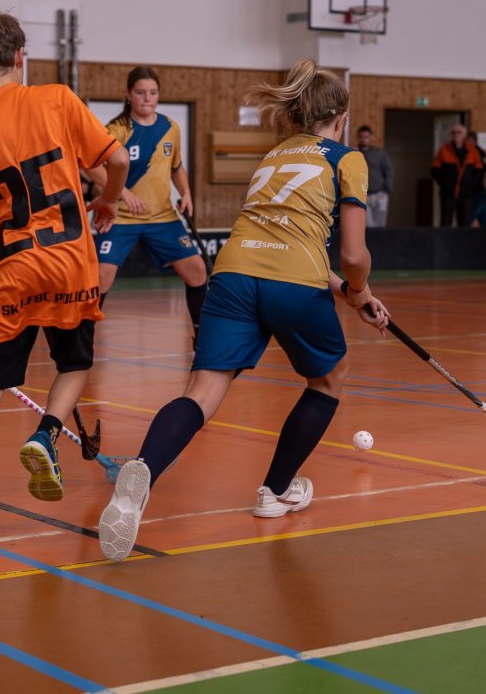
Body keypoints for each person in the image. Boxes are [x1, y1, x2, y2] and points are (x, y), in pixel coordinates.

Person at [97, 60, 391, 562]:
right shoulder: (348, 159)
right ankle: (275, 490)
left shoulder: (274, 155)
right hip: (292, 282)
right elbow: (353, 253)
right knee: (329, 377)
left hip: (232, 274)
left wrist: (345, 290)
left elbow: (283, 239)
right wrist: (359, 290)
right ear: (341, 116)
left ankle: (142, 470)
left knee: (202, 392)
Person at [0, 7, 129, 539]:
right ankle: (46, 433)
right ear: (21, 55)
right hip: (69, 266)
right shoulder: (58, 99)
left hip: (8, 274)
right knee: (75, 364)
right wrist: (109, 201)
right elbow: (116, 163)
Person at [84, 66, 209, 343]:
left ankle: (203, 341)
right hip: (119, 217)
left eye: (153, 93)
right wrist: (123, 192)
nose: (147, 98)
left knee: (197, 271)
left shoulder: (170, 127)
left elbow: (176, 167)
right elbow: (90, 166)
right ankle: (81, 344)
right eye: (141, 93)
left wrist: (186, 192)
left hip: (162, 217)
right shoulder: (115, 130)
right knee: (101, 277)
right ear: (129, 94)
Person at [430, 123, 484, 227]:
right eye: (453, 132)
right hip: (448, 194)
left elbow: (479, 170)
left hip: (465, 194)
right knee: (445, 223)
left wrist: (471, 184)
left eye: (459, 132)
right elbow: (434, 170)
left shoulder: (473, 150)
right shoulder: (444, 149)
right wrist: (444, 183)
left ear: (464, 135)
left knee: (464, 224)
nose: (455, 134)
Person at [356, 124, 393, 227]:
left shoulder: (380, 154)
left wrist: (386, 190)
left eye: (366, 137)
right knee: (367, 226)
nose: (364, 139)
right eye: (361, 137)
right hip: (363, 195)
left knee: (380, 225)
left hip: (380, 194)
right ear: (358, 137)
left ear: (370, 137)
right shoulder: (353, 154)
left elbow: (388, 171)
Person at [466, 131, 486, 227]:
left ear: (473, 140)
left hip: (478, 191)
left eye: (467, 140)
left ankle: (462, 236)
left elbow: (481, 172)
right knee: (483, 220)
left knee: (468, 219)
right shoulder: (470, 152)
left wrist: (469, 186)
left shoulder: (479, 153)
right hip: (479, 191)